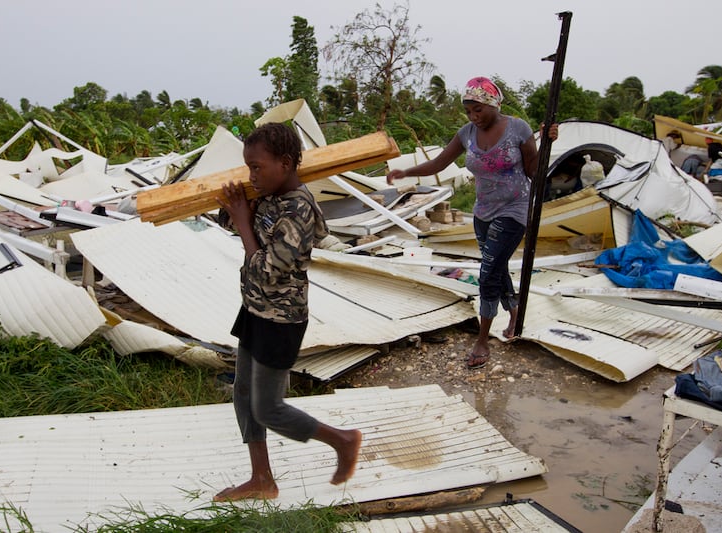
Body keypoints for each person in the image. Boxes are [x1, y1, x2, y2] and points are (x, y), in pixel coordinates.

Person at [214, 122, 362, 501]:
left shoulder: (299, 210)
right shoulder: (269, 196)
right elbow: (241, 226)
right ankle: (262, 478)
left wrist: (244, 223)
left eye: (257, 167)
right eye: (248, 167)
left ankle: (342, 440)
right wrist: (232, 212)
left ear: (284, 162)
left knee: (268, 408)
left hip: (281, 320)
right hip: (255, 310)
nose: (251, 175)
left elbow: (265, 269)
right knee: (243, 394)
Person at [387, 76, 558, 370]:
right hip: (482, 212)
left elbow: (534, 172)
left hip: (514, 209)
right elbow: (439, 163)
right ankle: (514, 311)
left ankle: (482, 338)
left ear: (493, 104)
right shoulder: (467, 133)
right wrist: (406, 172)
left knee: (488, 270)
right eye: (468, 111)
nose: (473, 116)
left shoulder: (518, 129)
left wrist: (547, 145)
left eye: (478, 109)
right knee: (497, 265)